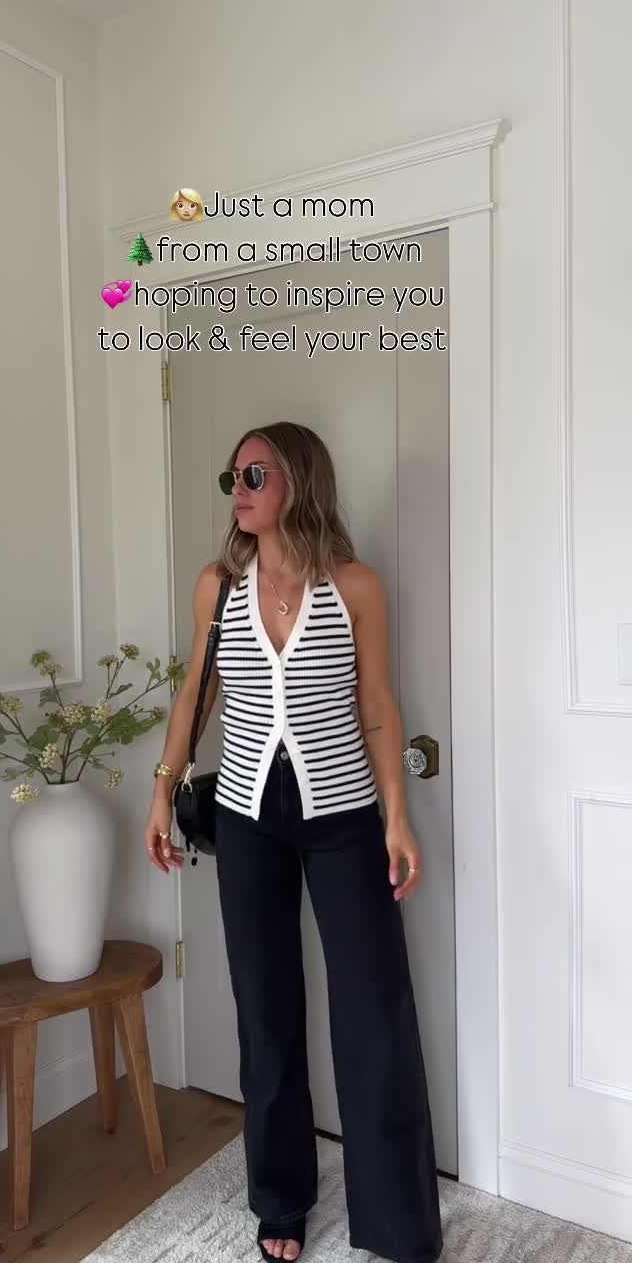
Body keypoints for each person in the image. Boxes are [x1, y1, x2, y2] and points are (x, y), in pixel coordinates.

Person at [144, 422, 455, 1263]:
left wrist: (396, 815)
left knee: (375, 1013)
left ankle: (396, 1223)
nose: (238, 490)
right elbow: (196, 694)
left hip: (343, 816)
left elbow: (377, 705)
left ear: (300, 481)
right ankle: (280, 1202)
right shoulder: (217, 586)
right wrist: (163, 790)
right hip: (246, 816)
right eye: (232, 476)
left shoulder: (355, 586)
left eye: (256, 474)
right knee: (265, 1010)